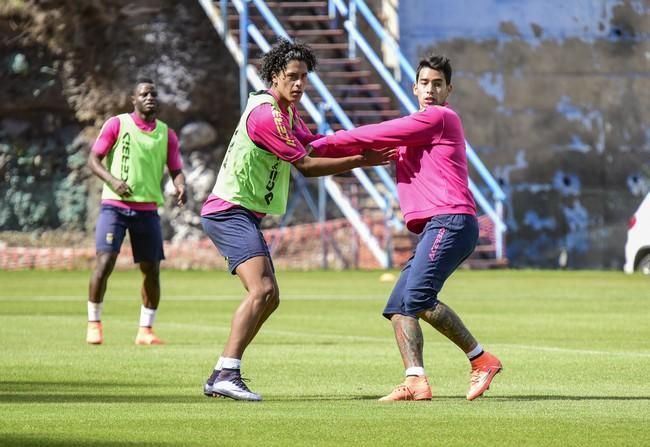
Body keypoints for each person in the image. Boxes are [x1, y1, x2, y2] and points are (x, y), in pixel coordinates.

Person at [200, 38, 394, 401]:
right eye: (293, 76)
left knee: (270, 297)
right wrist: (360, 160)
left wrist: (360, 143)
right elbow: (304, 164)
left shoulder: (286, 113)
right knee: (263, 291)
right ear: (275, 76)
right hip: (228, 212)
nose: (300, 83)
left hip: (242, 214)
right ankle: (225, 373)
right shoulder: (266, 114)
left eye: (305, 76)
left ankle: (224, 372)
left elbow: (316, 144)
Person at [310, 55, 502, 401]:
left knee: (418, 298)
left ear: (448, 91)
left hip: (452, 220)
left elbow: (374, 133)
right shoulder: (415, 130)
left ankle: (482, 360)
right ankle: (415, 380)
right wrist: (307, 143)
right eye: (425, 83)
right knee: (399, 306)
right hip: (437, 225)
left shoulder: (440, 118)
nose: (431, 89)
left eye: (438, 84)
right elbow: (369, 145)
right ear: (414, 88)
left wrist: (318, 142)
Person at [86, 77, 186, 346]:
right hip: (114, 207)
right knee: (105, 263)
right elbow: (93, 159)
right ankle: (94, 323)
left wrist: (180, 185)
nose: (150, 97)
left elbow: (176, 168)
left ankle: (146, 330)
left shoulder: (167, 133)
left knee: (151, 270)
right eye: (144, 94)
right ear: (134, 99)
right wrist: (113, 181)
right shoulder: (117, 124)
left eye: (154, 94)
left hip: (147, 210)